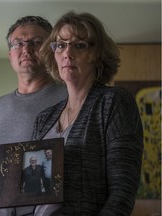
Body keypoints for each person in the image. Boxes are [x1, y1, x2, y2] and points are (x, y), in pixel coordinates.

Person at [31, 11, 144, 215]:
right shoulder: (43, 119)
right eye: (60, 45)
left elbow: (122, 193)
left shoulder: (113, 102)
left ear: (97, 54)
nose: (67, 53)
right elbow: (34, 191)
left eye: (79, 45)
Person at [0, 16, 67, 216]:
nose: (26, 49)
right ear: (10, 54)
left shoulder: (69, 99)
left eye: (37, 42)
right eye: (18, 43)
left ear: (52, 50)